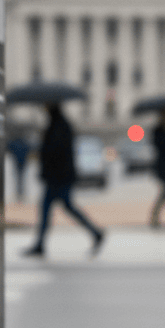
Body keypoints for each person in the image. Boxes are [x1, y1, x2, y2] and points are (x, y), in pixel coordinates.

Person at [24, 103, 104, 256]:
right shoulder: (60, 125)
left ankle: (95, 233)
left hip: (58, 177)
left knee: (52, 208)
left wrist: (43, 146)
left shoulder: (59, 127)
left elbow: (55, 152)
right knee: (57, 207)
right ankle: (95, 233)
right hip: (60, 176)